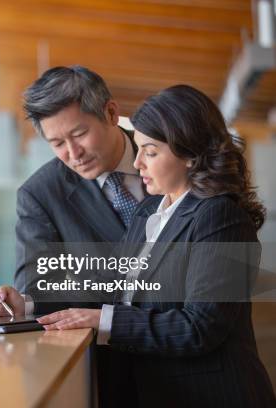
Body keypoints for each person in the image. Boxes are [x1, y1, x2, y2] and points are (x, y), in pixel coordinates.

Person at [36, 85, 276, 407]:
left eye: (150, 152)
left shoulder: (221, 217)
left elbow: (199, 327)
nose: (136, 163)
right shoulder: (150, 211)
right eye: (137, 149)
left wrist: (104, 321)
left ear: (190, 155)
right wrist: (25, 304)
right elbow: (111, 286)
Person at [0, 65, 144, 407]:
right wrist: (21, 303)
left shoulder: (166, 155)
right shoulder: (41, 193)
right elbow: (41, 283)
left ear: (112, 113)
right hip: (114, 375)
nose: (73, 153)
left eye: (80, 134)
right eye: (57, 143)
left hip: (200, 366)